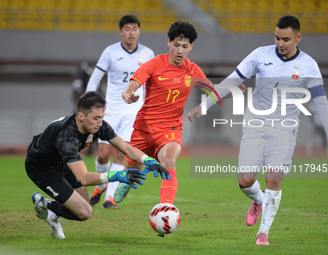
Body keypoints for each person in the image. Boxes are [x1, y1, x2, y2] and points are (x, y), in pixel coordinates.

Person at [188, 15, 328, 245]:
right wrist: (205, 105)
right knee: (245, 181)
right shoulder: (261, 54)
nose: (280, 43)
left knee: (274, 179)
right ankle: (258, 200)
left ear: (298, 37)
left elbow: (320, 100)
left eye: (286, 39)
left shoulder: (308, 65)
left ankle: (263, 233)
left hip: (284, 130)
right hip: (255, 125)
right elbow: (231, 80)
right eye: (277, 37)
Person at [25, 91, 170, 239]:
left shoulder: (98, 126)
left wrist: (149, 160)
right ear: (81, 116)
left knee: (83, 210)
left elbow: (126, 148)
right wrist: (118, 175)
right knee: (83, 212)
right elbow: (83, 178)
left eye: (101, 117)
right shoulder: (67, 138)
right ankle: (43, 203)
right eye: (96, 118)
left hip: (64, 162)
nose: (100, 123)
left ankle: (53, 215)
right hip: (42, 168)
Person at [113, 20, 212, 206]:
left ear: (191, 46)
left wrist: (230, 91)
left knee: (169, 161)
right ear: (169, 43)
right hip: (144, 128)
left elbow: (215, 91)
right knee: (133, 169)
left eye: (184, 46)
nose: (180, 51)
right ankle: (128, 179)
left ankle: (166, 208)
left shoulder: (193, 70)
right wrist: (128, 93)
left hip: (170, 129)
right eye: (176, 45)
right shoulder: (155, 64)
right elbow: (134, 83)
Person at [86, 14, 155, 209]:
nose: (131, 32)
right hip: (111, 111)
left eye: (134, 28)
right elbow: (96, 77)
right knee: (102, 155)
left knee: (120, 154)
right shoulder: (110, 52)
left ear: (139, 31)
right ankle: (100, 185)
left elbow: (152, 82)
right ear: (120, 31)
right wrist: (89, 103)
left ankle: (109, 197)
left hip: (133, 112)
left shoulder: (148, 54)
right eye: (127, 29)